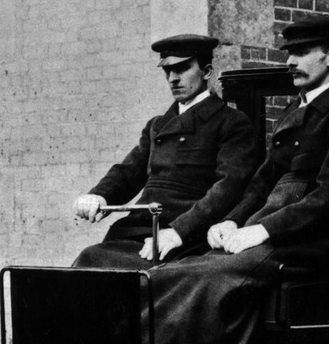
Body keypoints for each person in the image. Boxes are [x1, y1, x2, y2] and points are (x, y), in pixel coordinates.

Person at [100, 17, 329, 344]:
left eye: (302, 53)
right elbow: (261, 182)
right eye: (290, 53)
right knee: (176, 272)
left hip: (314, 241)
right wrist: (234, 221)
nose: (291, 62)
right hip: (277, 227)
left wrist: (262, 229)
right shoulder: (295, 112)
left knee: (205, 278)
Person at [72, 34, 259, 266]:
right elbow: (129, 171)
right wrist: (99, 195)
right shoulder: (157, 125)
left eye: (181, 69)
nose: (173, 79)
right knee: (88, 262)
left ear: (207, 71)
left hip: (187, 235)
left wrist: (179, 231)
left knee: (107, 268)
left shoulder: (231, 122)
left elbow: (228, 188)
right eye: (168, 71)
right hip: (139, 229)